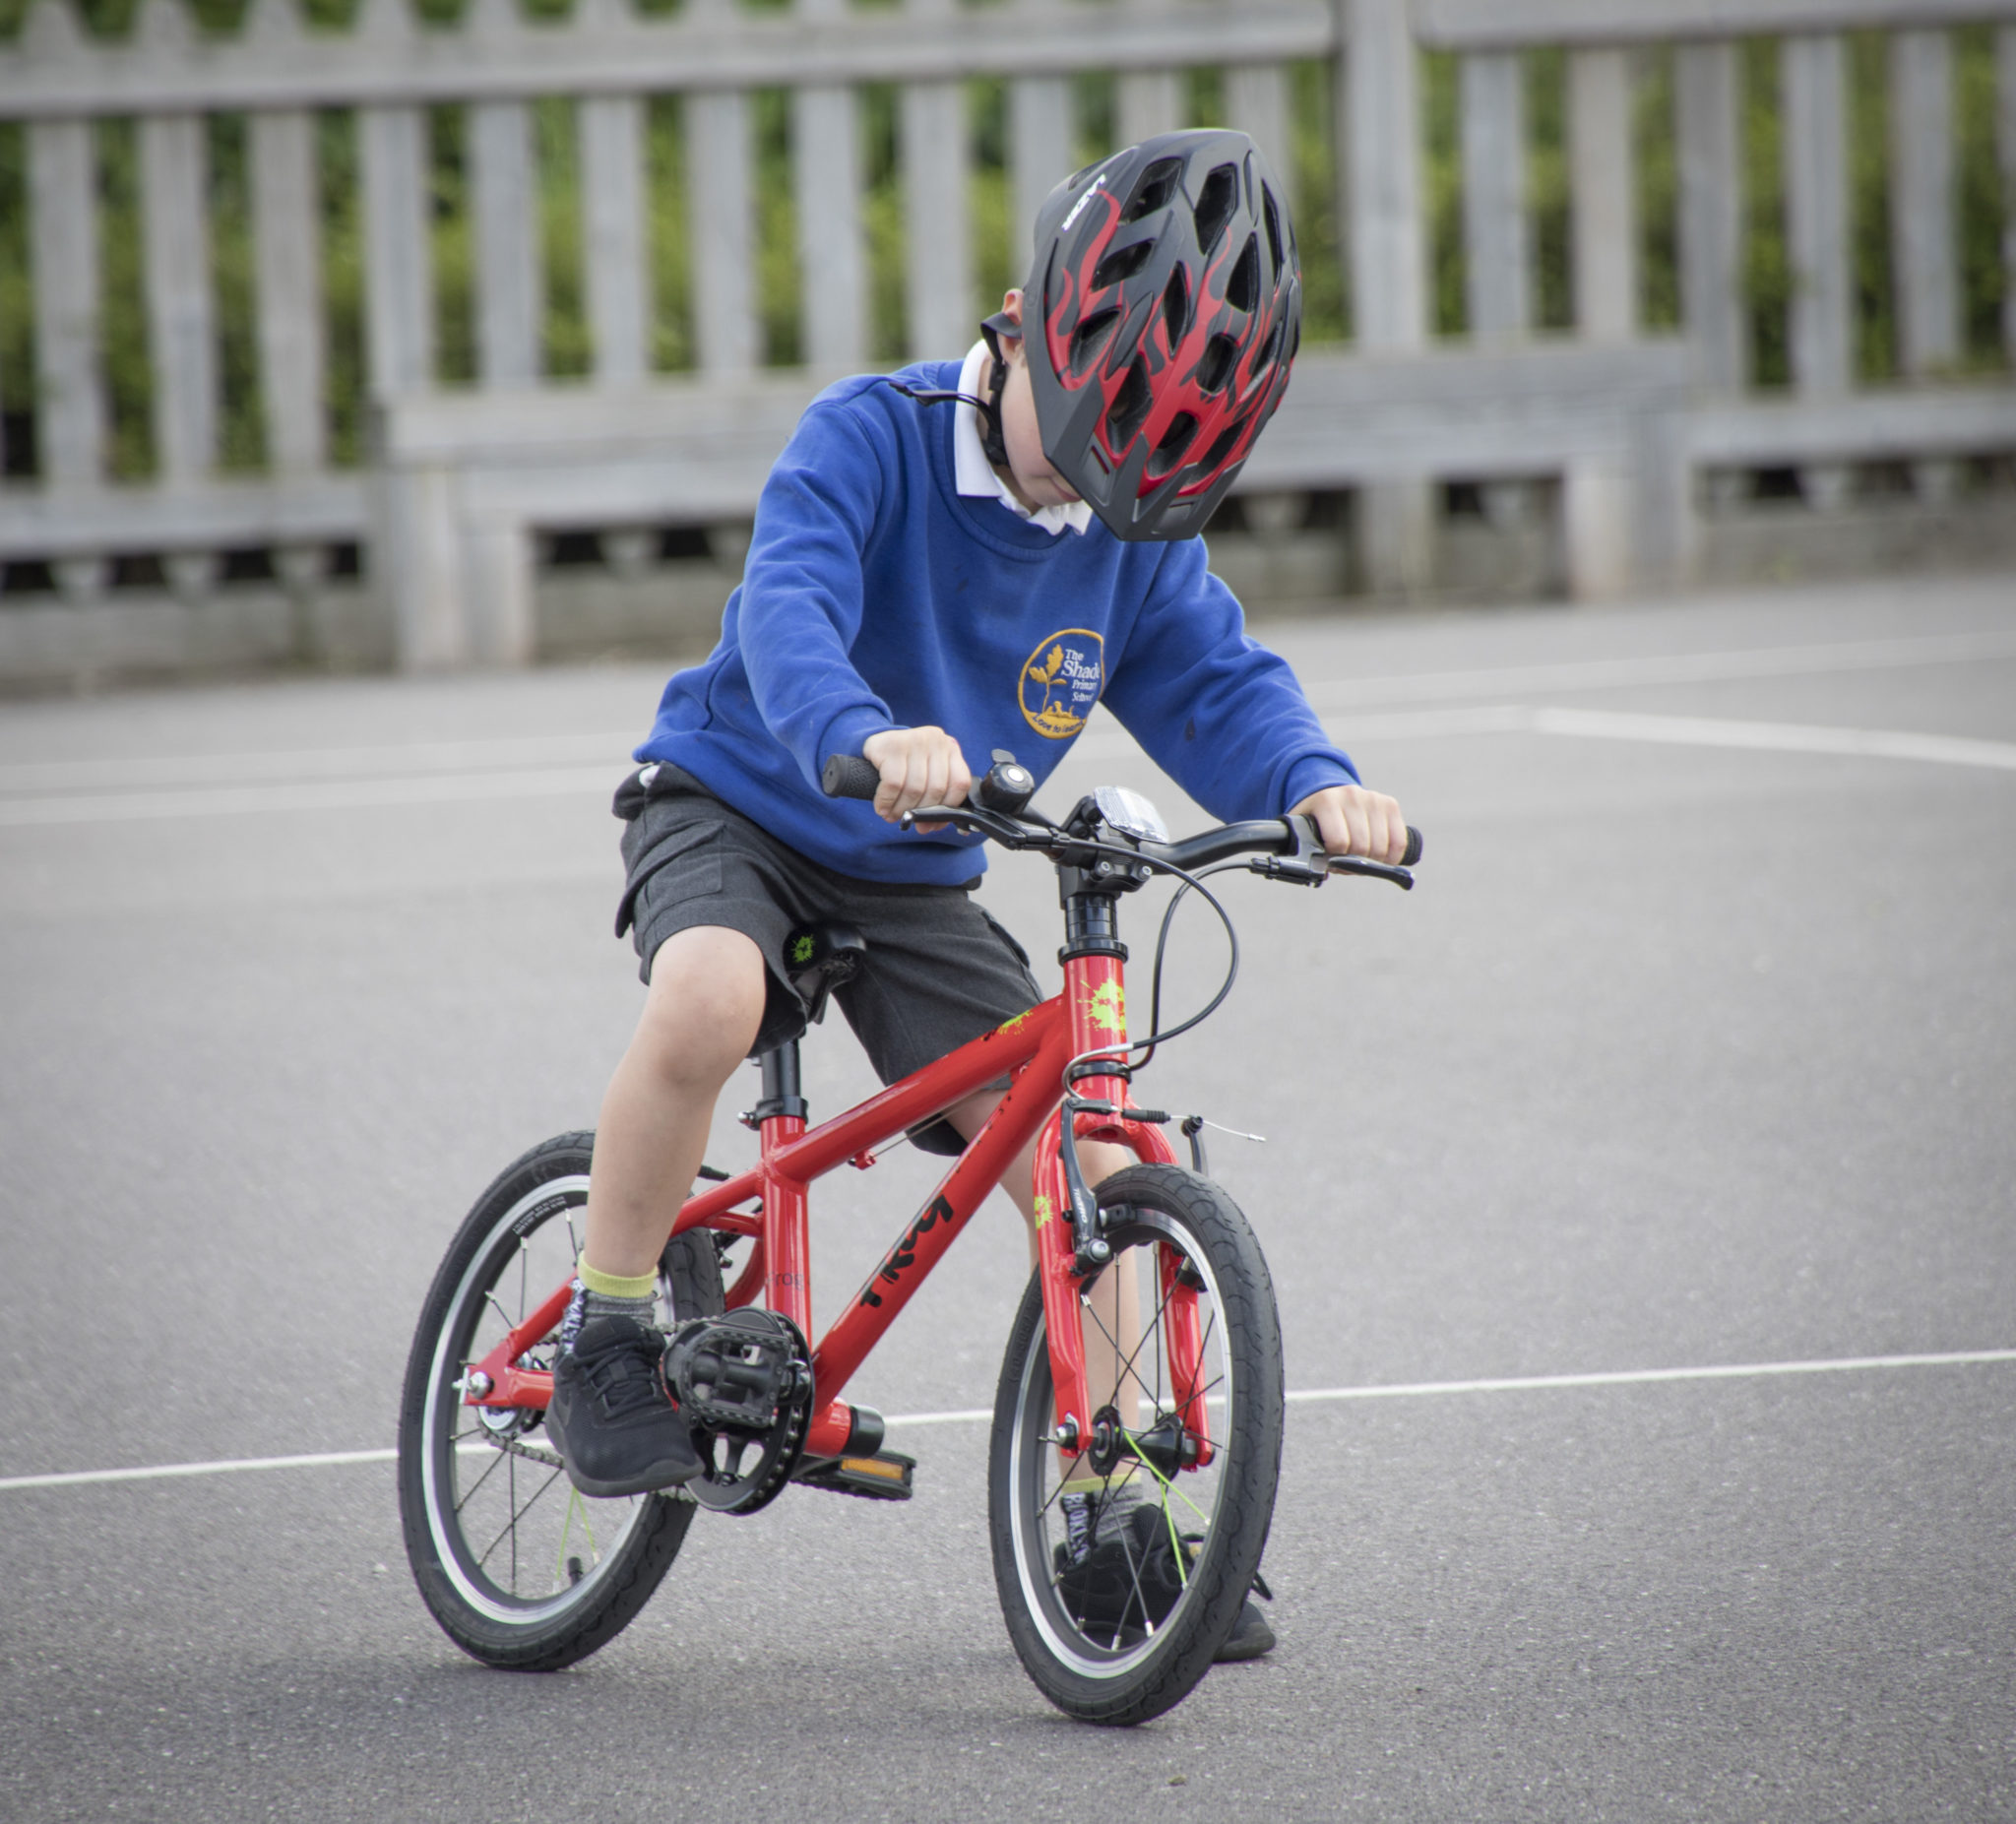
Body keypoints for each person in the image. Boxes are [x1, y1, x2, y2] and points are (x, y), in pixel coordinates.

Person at [544, 129, 1409, 1662]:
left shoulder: (1127, 537)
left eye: (1121, 482)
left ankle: (1117, 1496)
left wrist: (1313, 783)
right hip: (746, 795)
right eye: (1072, 454)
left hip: (918, 868)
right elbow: (788, 608)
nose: (1080, 499)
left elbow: (1215, 680)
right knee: (712, 996)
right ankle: (611, 1328)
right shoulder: (867, 438)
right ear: (1019, 326)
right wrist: (860, 738)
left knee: (1077, 1143)